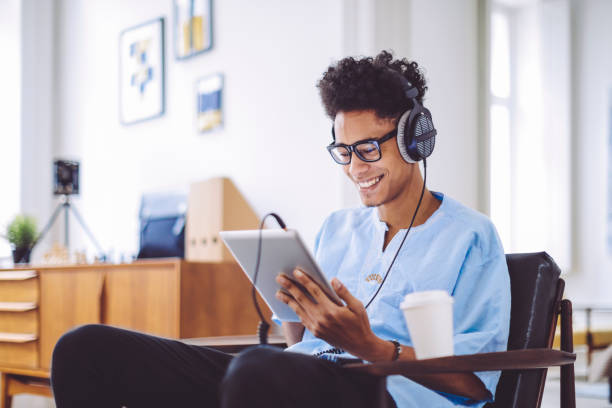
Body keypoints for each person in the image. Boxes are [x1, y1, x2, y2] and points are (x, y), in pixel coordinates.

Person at [50, 50, 510, 408]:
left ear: (414, 138)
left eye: (368, 149)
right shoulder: (338, 228)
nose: (355, 168)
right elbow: (302, 349)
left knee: (256, 371)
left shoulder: (470, 237)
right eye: (343, 151)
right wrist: (298, 310)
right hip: (292, 381)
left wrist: (370, 345)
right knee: (84, 347)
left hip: (386, 393)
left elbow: (475, 380)